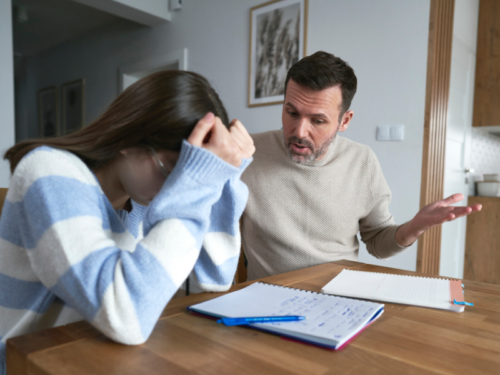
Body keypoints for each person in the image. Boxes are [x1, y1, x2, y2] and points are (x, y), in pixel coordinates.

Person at [0, 71, 255, 374]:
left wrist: (223, 180)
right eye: (172, 168)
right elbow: (126, 315)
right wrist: (196, 185)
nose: (177, 189)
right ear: (130, 138)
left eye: (187, 177)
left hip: (103, 358)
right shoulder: (49, 172)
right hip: (29, 365)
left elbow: (208, 283)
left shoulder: (144, 202)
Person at [241, 51, 481, 281]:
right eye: (291, 113)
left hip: (337, 298)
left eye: (318, 120)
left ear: (344, 121)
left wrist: (413, 228)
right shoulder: (245, 152)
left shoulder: (362, 161)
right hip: (264, 298)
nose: (299, 131)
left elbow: (377, 242)